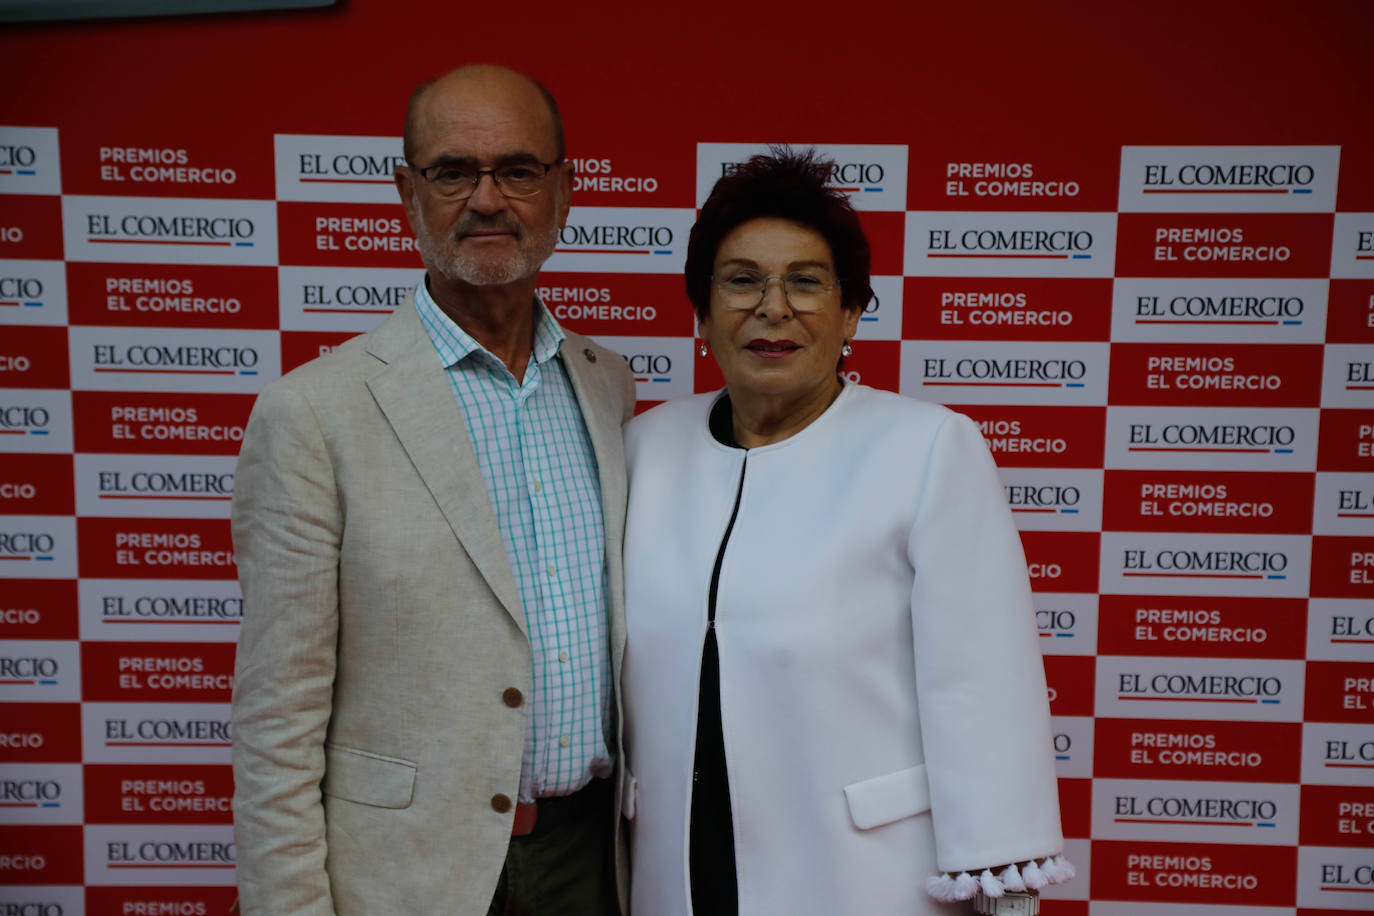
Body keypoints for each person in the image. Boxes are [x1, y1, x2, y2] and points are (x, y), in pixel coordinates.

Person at [621, 148, 1072, 915]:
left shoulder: (929, 448)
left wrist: (1006, 889)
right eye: (740, 281)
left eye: (805, 281)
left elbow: (985, 691)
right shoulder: (644, 445)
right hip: (676, 868)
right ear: (700, 313)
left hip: (865, 876)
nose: (773, 307)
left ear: (852, 310)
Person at [231, 65, 635, 916]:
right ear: (407, 194)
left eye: (519, 171)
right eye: (454, 172)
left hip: (597, 864)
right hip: (408, 878)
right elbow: (279, 717)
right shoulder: (313, 412)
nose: (488, 200)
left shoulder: (608, 387)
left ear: (565, 190)